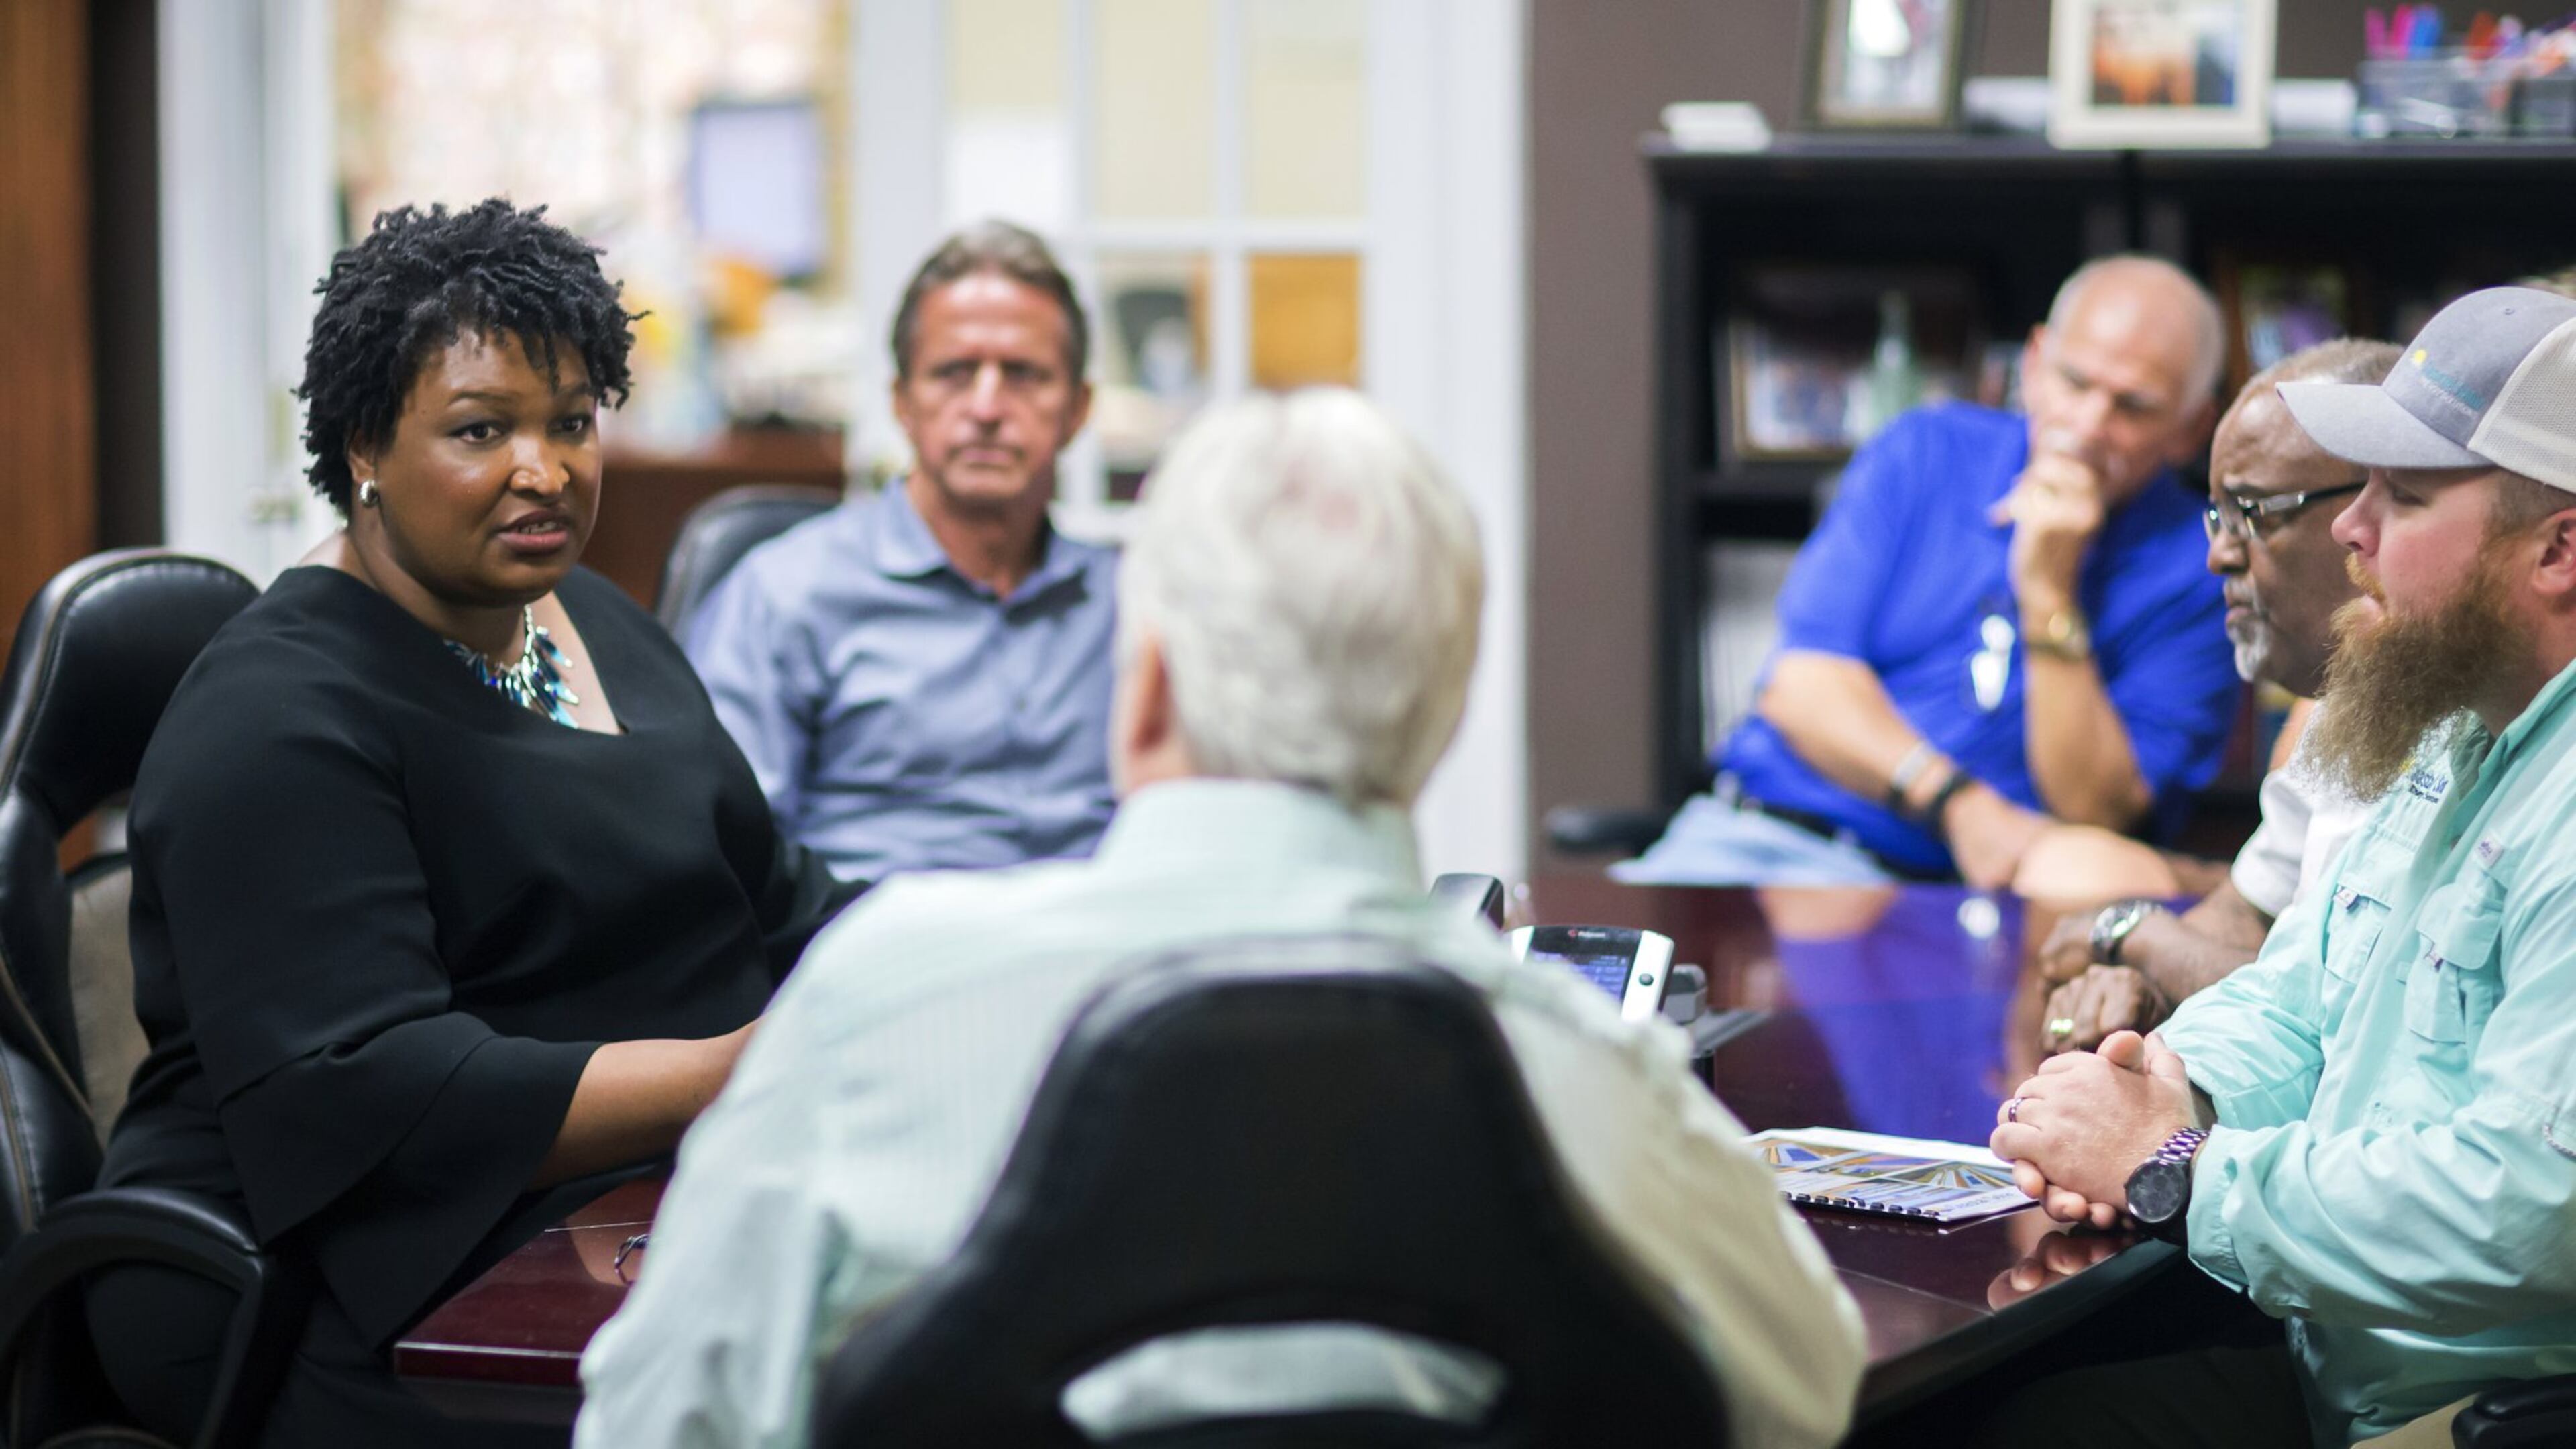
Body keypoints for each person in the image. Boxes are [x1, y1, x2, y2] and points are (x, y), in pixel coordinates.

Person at [576, 390, 1868, 1449]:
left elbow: (657, 1425)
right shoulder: (1593, 1066)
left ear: (1142, 695)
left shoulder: (882, 1001)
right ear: (1436, 725)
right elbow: (1806, 1396)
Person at [87, 200, 858, 1449]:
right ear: (364, 450)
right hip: (338, 1269)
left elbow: (775, 896)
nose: (543, 471)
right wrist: (743, 1073)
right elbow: (377, 1095)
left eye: (570, 423)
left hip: (630, 1193)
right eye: (480, 430)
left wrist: (944, 952)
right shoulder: (274, 717)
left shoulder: (595, 620)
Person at [1986, 286, 2576, 1447]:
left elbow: (2533, 1212)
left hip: (2489, 1410)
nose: (2350, 532)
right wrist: (2157, 1082)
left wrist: (2178, 1169)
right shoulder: (2459, 734)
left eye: (2402, 499)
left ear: (2558, 548)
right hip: (2352, 1369)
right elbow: (2301, 998)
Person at [1620, 255, 2242, 890]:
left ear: (2191, 429)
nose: (2087, 427)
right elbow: (1800, 686)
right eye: (2075, 383)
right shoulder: (1924, 448)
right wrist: (1956, 803)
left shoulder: (2206, 566)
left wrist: (2048, 589)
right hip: (1760, 838)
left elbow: (2097, 811)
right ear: (2032, 364)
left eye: (2132, 408)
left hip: (1968, 898)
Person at [686, 221, 1118, 882]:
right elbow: (723, 856)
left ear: (1078, 409)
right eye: (953, 373)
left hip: (1104, 967)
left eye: (1025, 375)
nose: (987, 407)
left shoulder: (1133, 608)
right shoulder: (787, 594)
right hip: (879, 957)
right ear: (902, 404)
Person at [2023, 339, 2399, 1053]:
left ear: (2379, 505)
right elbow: (2247, 913)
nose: (2220, 554)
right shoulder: (2345, 700)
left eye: (2254, 511)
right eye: (2218, 516)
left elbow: (2335, 1016)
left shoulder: (2463, 698)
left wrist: (2132, 934)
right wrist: (2141, 975)